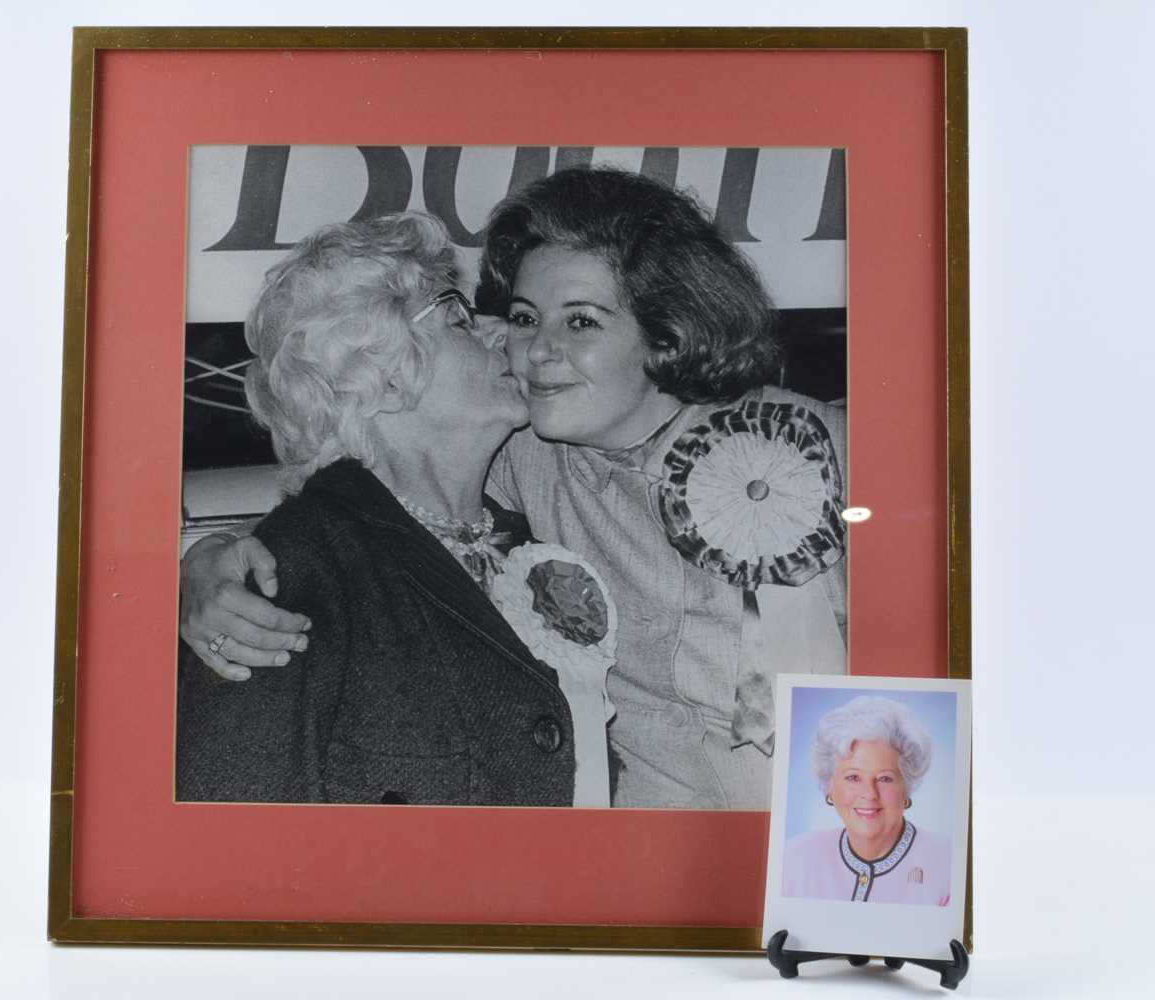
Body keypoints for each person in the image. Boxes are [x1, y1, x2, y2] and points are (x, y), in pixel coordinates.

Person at [183, 167, 847, 809]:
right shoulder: (522, 457)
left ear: (664, 330)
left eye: (581, 320)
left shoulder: (808, 441)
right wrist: (204, 564)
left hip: (830, 842)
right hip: (650, 882)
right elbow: (364, 503)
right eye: (520, 318)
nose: (526, 348)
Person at [176, 211, 618, 808]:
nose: (499, 331)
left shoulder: (525, 533)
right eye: (459, 319)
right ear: (379, 380)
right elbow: (237, 847)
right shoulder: (286, 579)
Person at [781, 695, 951, 905]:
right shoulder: (793, 859)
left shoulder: (949, 865)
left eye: (884, 779)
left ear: (906, 787)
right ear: (830, 785)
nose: (869, 793)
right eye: (853, 777)